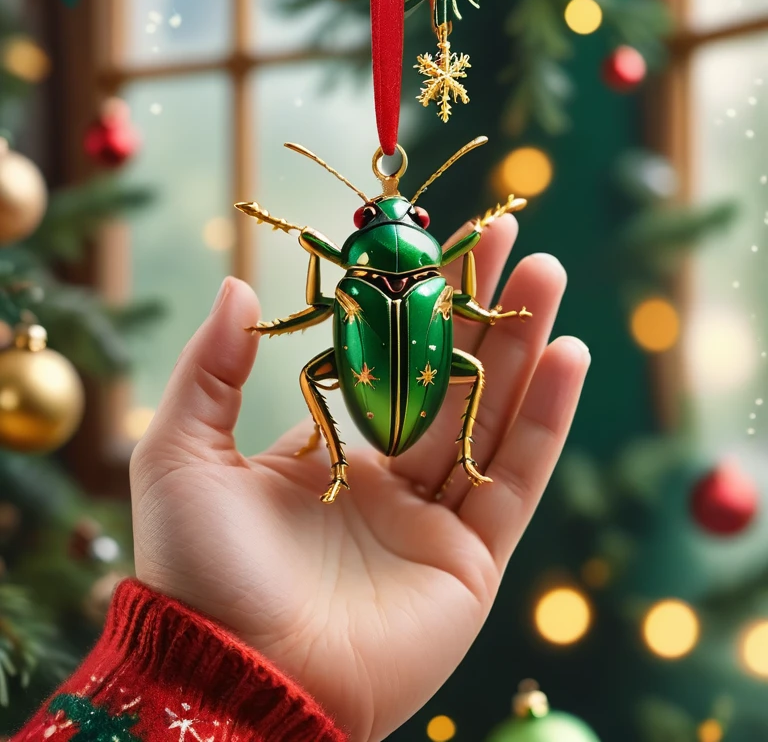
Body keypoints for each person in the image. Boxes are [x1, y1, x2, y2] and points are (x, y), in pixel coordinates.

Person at [12, 215, 589, 742]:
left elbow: (316, 304)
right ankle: (445, 453)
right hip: (414, 384)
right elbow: (469, 306)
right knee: (476, 374)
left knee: (323, 376)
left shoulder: (348, 287)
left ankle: (342, 462)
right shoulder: (440, 286)